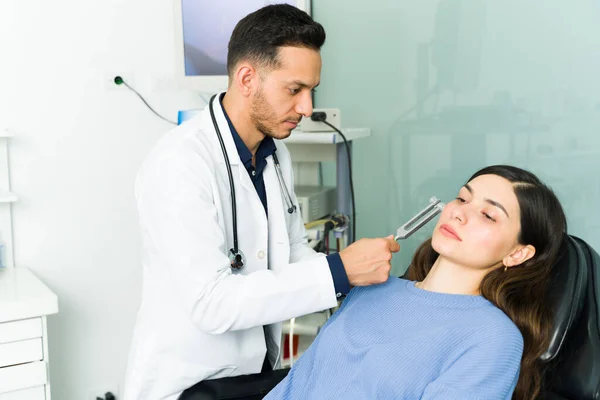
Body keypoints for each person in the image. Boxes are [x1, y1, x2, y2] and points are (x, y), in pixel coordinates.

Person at [123, 5, 400, 400]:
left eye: (311, 91)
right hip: (189, 384)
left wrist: (357, 280)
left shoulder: (273, 153)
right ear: (247, 77)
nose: (306, 108)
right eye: (294, 90)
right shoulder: (179, 163)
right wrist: (338, 271)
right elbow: (212, 303)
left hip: (250, 378)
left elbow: (291, 252)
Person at [266, 165, 567, 400]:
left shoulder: (492, 337)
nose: (460, 212)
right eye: (462, 198)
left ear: (517, 253)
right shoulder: (372, 289)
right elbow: (298, 384)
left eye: (488, 215)